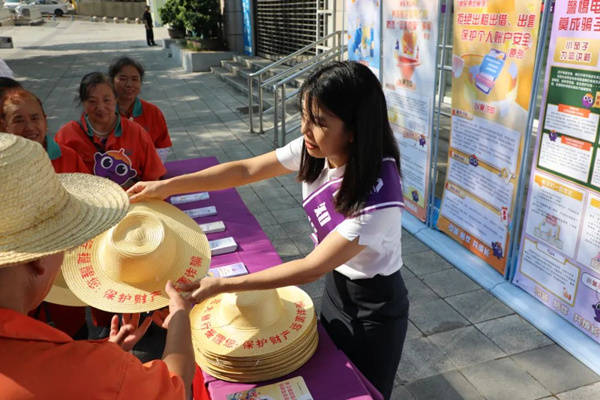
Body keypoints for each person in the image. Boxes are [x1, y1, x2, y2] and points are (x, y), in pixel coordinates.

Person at [128, 61, 409, 399]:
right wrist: (168, 186)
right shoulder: (316, 149)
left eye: (318, 122)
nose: (305, 130)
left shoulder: (377, 198)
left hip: (374, 309)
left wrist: (221, 285)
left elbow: (310, 268)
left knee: (363, 391)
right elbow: (246, 169)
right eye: (304, 115)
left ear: (354, 130)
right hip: (337, 288)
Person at [0, 133, 195, 399]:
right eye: (65, 243)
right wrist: (182, 318)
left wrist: (103, 355)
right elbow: (176, 389)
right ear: (38, 259)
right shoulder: (87, 371)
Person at [0, 87, 92, 338]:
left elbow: (86, 205)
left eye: (35, 117)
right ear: (4, 125)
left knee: (71, 331)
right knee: (24, 338)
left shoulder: (68, 157)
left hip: (62, 265)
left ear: (45, 119)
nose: (30, 126)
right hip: (17, 274)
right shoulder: (3, 167)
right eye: (18, 120)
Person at [55, 72, 166, 189]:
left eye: (106, 100)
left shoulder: (136, 132)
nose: (100, 107)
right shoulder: (66, 135)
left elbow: (154, 179)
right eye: (92, 101)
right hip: (86, 206)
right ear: (83, 102)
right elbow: (58, 182)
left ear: (116, 99)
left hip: (133, 202)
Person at [109, 56, 172, 163]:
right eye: (123, 79)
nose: (129, 84)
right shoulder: (102, 113)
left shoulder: (153, 112)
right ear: (111, 81)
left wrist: (149, 172)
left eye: (135, 79)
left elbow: (162, 147)